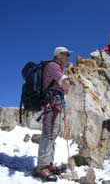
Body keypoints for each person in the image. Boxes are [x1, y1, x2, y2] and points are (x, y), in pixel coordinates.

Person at [33, 47, 71, 179]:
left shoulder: (57, 68)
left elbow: (64, 88)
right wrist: (66, 86)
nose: (67, 57)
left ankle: (48, 163)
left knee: (52, 134)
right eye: (65, 54)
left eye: (68, 55)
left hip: (55, 104)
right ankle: (41, 166)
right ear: (57, 55)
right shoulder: (53, 66)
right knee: (48, 134)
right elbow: (65, 85)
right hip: (52, 105)